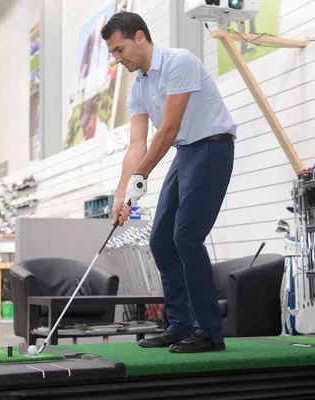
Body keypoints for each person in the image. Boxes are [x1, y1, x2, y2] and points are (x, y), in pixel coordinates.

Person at [101, 12, 236, 353]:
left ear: (140, 37)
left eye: (120, 50)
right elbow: (137, 145)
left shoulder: (180, 62)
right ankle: (179, 325)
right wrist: (122, 195)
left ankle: (209, 333)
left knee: (186, 238)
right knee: (162, 239)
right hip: (186, 154)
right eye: (113, 53)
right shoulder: (140, 87)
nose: (118, 59)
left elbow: (169, 129)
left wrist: (139, 180)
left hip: (212, 147)